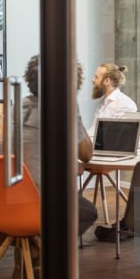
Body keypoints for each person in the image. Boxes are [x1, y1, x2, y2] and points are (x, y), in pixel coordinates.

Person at [21, 55, 98, 236]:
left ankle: (31, 245)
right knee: (88, 212)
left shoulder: (20, 105)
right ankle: (45, 248)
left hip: (10, 200)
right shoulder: (64, 108)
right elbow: (86, 154)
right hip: (42, 201)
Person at [89, 62, 137, 133]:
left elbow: (119, 137)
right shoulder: (104, 102)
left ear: (107, 81)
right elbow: (94, 131)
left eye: (96, 77)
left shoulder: (125, 105)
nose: (93, 80)